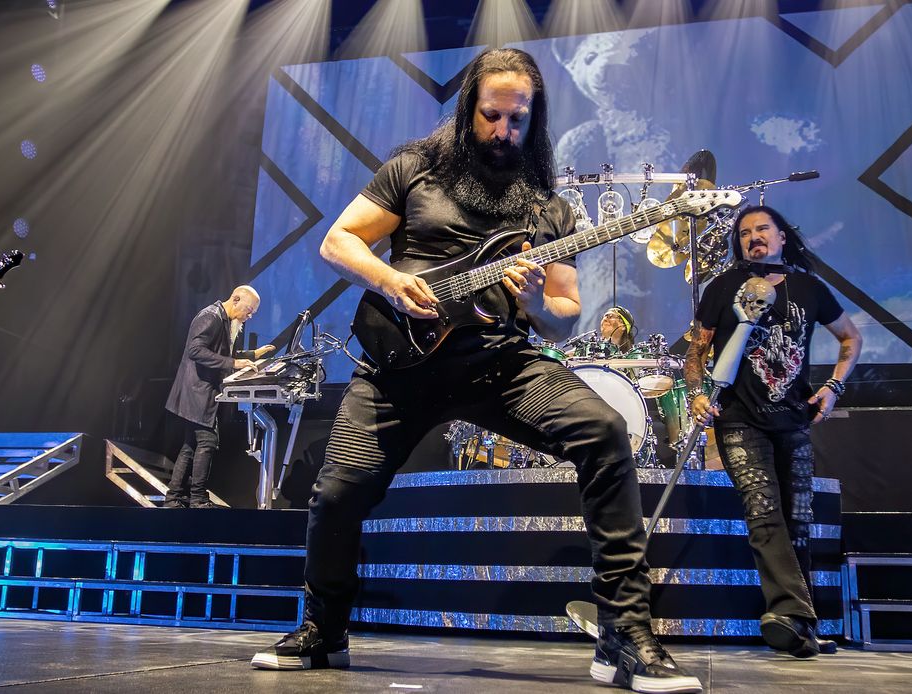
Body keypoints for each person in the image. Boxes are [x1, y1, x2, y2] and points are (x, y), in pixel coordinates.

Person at [251, 49, 702, 693]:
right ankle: (323, 632)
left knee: (602, 431)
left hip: (499, 362)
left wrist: (538, 300)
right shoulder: (416, 169)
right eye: (492, 116)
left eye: (517, 120)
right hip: (400, 366)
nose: (503, 132)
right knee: (337, 494)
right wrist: (391, 280)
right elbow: (339, 240)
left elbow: (566, 311)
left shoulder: (547, 205)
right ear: (468, 110)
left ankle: (624, 635)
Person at [686, 205, 861, 658]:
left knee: (796, 523)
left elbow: (851, 337)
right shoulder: (722, 288)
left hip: (794, 418)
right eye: (745, 233)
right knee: (763, 513)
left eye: (763, 229)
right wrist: (697, 394)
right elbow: (695, 355)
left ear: (782, 236)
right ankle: (791, 613)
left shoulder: (809, 288)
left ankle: (799, 627)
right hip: (739, 419)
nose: (754, 238)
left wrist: (834, 388)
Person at [163, 286, 274, 509]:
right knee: (207, 441)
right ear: (235, 299)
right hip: (196, 391)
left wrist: (254, 355)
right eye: (249, 310)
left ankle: (174, 498)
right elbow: (195, 350)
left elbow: (221, 353)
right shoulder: (210, 317)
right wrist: (234, 363)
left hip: (200, 392)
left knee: (190, 445)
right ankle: (197, 499)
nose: (249, 316)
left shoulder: (224, 320)